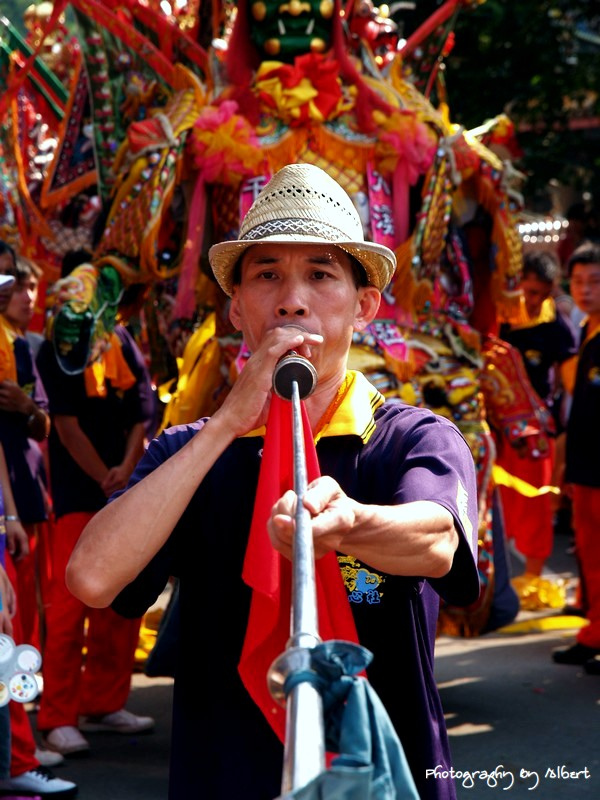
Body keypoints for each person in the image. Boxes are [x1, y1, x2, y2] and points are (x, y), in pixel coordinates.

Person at [66, 163, 480, 800]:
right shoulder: (190, 451)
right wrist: (228, 421)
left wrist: (353, 523)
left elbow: (438, 543)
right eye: (267, 276)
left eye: (320, 274)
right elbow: (92, 578)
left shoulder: (410, 438)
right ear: (236, 309)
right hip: (225, 777)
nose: (292, 298)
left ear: (364, 305)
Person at [34, 263, 155, 757]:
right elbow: (64, 425)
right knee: (68, 607)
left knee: (120, 603)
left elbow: (143, 414)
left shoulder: (122, 341)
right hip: (77, 494)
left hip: (122, 489)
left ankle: (104, 702)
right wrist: (103, 473)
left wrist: (125, 468)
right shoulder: (56, 351)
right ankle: (57, 713)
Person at [0, 264, 78, 797]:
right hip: (11, 513)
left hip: (23, 507)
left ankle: (21, 750)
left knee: (22, 634)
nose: (28, 296)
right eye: (14, 287)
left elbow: (45, 423)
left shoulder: (23, 348)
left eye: (29, 286)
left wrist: (27, 406)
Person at [497, 249, 578, 590]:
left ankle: (532, 577)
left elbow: (571, 383)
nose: (533, 301)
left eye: (540, 294)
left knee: (535, 503)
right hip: (494, 425)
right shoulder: (499, 318)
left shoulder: (557, 327)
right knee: (493, 503)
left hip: (533, 432)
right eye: (528, 292)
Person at [552, 240, 600, 674]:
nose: (585, 289)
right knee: (589, 554)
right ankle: (593, 633)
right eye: (578, 281)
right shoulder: (587, 331)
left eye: (595, 281)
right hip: (586, 468)